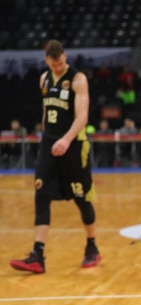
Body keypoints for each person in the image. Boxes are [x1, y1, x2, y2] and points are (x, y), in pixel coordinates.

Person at [10, 40, 101, 274]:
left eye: (60, 63)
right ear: (46, 61)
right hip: (50, 144)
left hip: (73, 144)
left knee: (81, 197)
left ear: (64, 57)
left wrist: (66, 139)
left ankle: (92, 247)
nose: (58, 67)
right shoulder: (44, 79)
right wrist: (47, 137)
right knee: (41, 193)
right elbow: (45, 112)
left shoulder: (78, 79)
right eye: (54, 64)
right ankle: (37, 255)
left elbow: (82, 117)